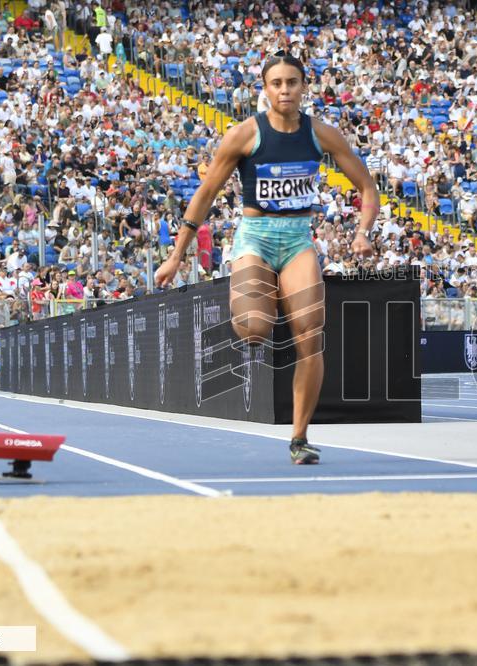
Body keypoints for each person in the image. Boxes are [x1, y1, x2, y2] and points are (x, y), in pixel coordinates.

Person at [154, 52, 379, 465]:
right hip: (255, 237)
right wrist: (176, 256)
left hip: (297, 239)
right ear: (265, 88)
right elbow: (205, 194)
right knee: (256, 328)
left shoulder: (321, 134)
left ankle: (299, 438)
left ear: (303, 87)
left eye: (292, 82)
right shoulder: (244, 135)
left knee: (311, 336)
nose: (285, 90)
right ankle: (257, 304)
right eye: (277, 83)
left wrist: (362, 233)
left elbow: (367, 186)